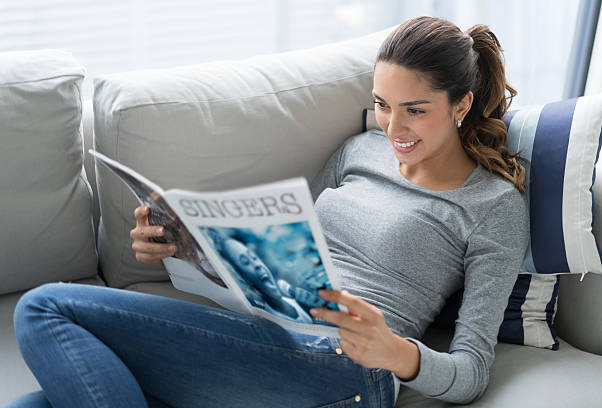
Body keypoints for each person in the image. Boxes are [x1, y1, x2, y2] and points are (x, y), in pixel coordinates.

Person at [4, 16, 528, 408]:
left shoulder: (493, 205)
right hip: (262, 335)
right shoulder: (359, 152)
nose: (393, 128)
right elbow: (287, 250)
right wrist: (182, 248)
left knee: (43, 308)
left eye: (415, 110)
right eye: (383, 104)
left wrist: (396, 352)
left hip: (348, 370)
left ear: (460, 105)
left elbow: (472, 368)